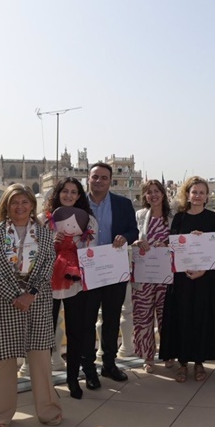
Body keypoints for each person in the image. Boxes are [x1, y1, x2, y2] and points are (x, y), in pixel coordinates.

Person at [0, 183, 62, 427]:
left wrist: (30, 295)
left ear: (32, 206)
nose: (20, 207)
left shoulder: (45, 234)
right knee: (3, 361)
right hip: (1, 301)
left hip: (36, 301)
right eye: (15, 202)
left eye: (25, 202)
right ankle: (1, 415)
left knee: (39, 359)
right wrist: (17, 296)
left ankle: (48, 410)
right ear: (6, 205)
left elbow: (48, 265)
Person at [159, 176, 215, 383]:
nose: (197, 196)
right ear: (187, 194)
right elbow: (174, 246)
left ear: (207, 196)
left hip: (205, 278)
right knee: (182, 318)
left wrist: (203, 268)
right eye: (194, 192)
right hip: (182, 278)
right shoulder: (179, 218)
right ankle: (183, 363)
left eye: (202, 193)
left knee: (201, 319)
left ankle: (199, 362)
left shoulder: (213, 218)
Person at [82, 162, 139, 389]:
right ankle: (89, 369)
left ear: (110, 180)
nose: (99, 181)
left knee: (112, 318)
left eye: (104, 177)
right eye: (95, 177)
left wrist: (124, 236)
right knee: (87, 321)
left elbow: (133, 231)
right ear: (88, 178)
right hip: (87, 270)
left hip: (114, 270)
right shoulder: (78, 204)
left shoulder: (123, 204)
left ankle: (109, 363)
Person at [41, 177, 97, 400]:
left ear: (79, 196)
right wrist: (51, 241)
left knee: (76, 332)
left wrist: (78, 242)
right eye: (65, 191)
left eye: (74, 192)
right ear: (58, 193)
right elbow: (35, 250)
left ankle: (73, 379)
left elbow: (91, 249)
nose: (69, 195)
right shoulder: (44, 221)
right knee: (45, 334)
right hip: (48, 284)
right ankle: (44, 380)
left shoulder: (89, 221)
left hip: (76, 283)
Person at [132, 179, 173, 373]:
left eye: (157, 191)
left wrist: (166, 246)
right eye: (149, 192)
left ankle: (168, 353)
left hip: (166, 276)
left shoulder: (172, 216)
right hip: (144, 276)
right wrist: (138, 242)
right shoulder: (140, 215)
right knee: (144, 316)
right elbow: (132, 240)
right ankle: (148, 356)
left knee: (167, 316)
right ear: (145, 196)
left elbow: (179, 243)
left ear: (163, 194)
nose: (153, 195)